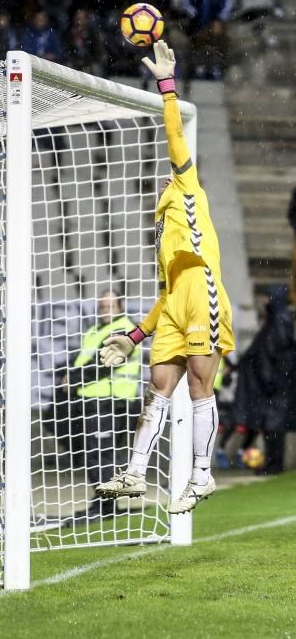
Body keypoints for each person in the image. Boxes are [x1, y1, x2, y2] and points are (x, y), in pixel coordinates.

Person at [97, 41, 235, 514]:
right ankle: (136, 472)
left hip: (203, 291)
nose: (163, 177)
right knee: (158, 388)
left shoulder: (187, 187)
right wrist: (135, 334)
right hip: (175, 301)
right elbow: (165, 295)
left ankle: (201, 475)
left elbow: (175, 137)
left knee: (200, 385)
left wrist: (167, 86)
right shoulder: (159, 231)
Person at [67, 290, 141, 521]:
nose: (105, 310)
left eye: (110, 306)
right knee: (94, 454)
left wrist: (74, 378)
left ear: (120, 307)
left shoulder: (123, 330)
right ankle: (100, 502)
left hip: (111, 400)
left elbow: (105, 362)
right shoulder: (94, 330)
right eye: (102, 306)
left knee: (102, 455)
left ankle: (107, 506)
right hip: (92, 399)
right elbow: (83, 358)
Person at [234, 285, 295, 474]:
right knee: (271, 426)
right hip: (275, 384)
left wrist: (269, 380)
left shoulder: (279, 321)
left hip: (275, 386)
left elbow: (274, 353)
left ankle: (274, 464)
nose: (264, 301)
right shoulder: (277, 320)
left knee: (273, 426)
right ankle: (273, 463)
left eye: (268, 297)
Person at [182, 0, 233, 80]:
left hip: (215, 18)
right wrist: (193, 12)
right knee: (199, 39)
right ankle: (199, 67)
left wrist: (221, 16)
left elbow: (229, 0)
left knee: (216, 37)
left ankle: (215, 66)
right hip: (197, 18)